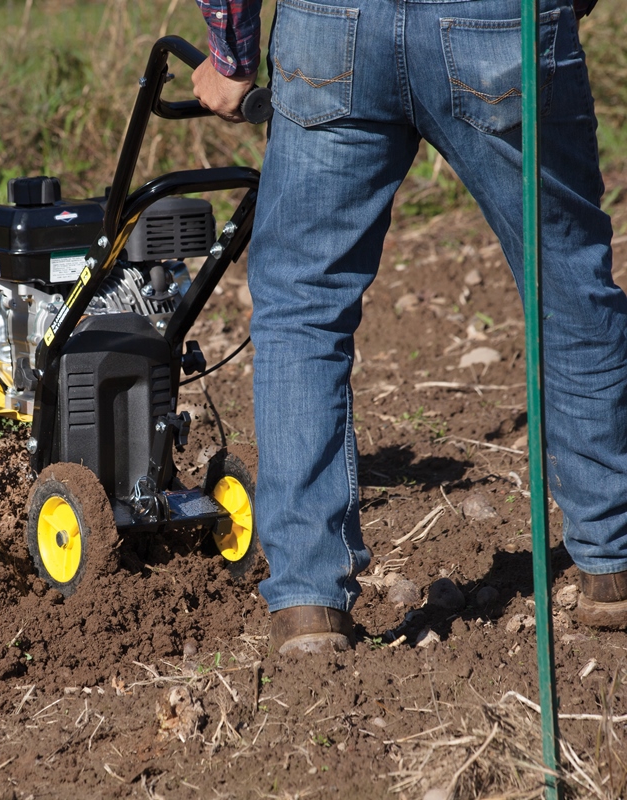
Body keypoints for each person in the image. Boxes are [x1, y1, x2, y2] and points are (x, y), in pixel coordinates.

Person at [192, 0, 627, 654]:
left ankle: (309, 601)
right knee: (565, 283)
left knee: (303, 302)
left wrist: (230, 52)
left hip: (331, 26)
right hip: (496, 23)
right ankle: (612, 563)